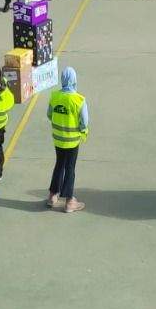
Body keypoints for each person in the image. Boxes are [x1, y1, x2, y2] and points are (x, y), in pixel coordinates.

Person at [47, 66, 88, 213]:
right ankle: (70, 201)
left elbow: (49, 115)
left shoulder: (54, 96)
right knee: (70, 168)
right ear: (74, 80)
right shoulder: (79, 100)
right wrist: (82, 132)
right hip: (72, 141)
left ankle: (53, 195)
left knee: (59, 164)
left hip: (58, 139)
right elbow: (84, 122)